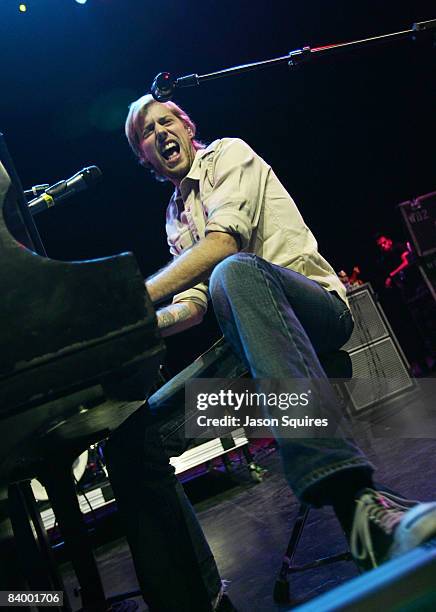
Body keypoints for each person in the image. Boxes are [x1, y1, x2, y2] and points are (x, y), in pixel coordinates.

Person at [103, 94, 436, 612]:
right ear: (142, 156)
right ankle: (198, 602)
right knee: (132, 440)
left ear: (188, 127)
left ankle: (358, 505)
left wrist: (133, 299)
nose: (161, 133)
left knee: (231, 272)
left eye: (167, 121)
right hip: (256, 355)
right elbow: (191, 308)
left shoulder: (229, 155)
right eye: (147, 132)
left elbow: (222, 248)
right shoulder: (173, 216)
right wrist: (129, 327)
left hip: (317, 316)